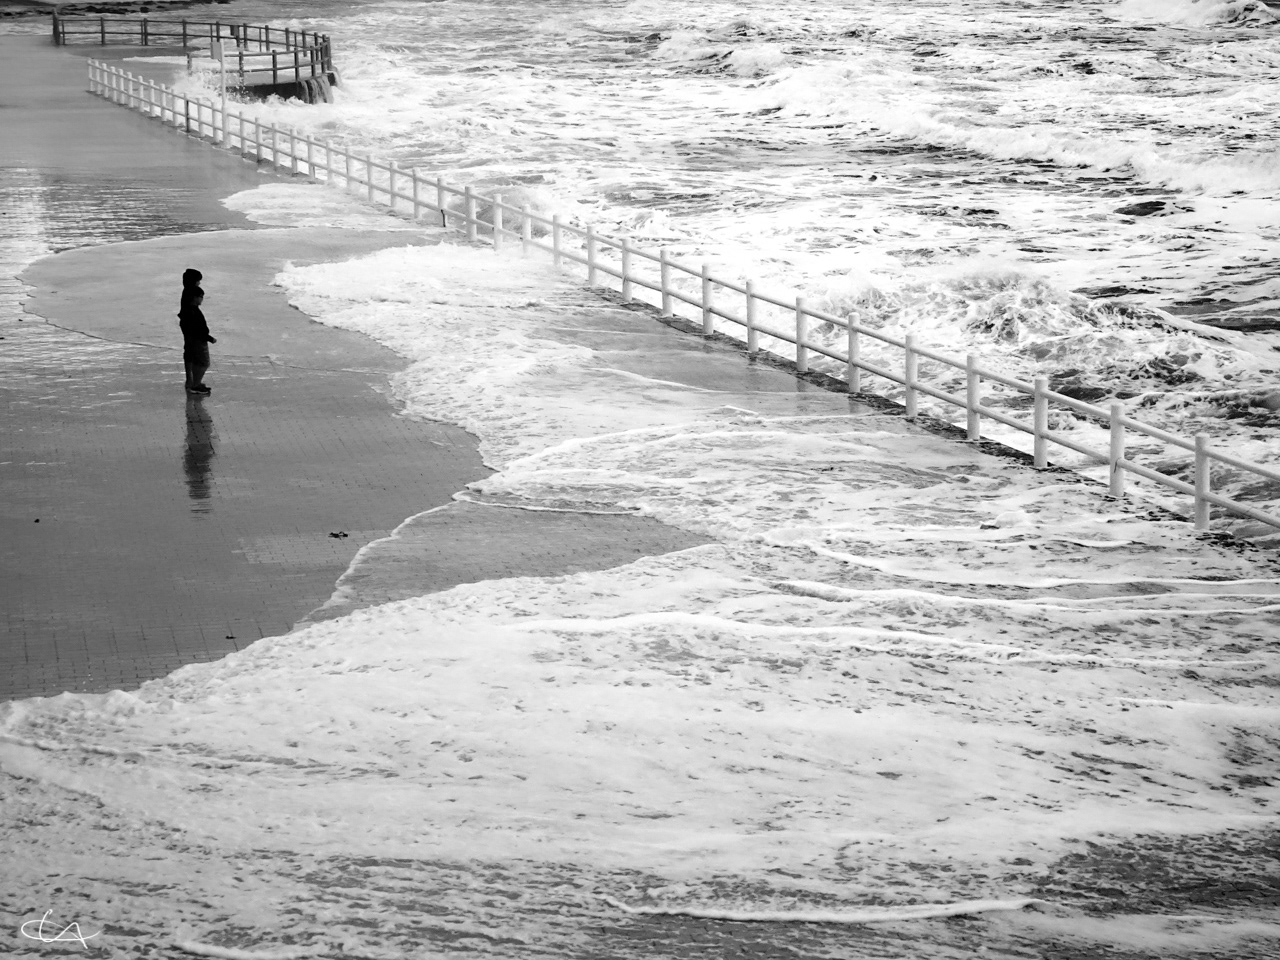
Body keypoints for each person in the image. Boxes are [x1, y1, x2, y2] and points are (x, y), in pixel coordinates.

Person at [178, 268, 216, 395]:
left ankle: (192, 381)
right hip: (192, 331)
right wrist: (208, 337)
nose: (199, 283)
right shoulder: (190, 298)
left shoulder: (187, 293)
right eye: (198, 281)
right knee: (195, 356)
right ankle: (193, 382)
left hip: (187, 327)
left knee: (190, 352)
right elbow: (196, 326)